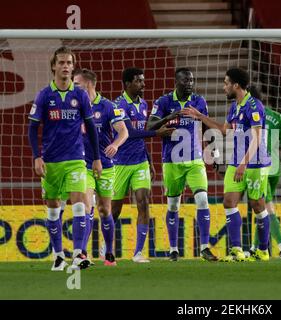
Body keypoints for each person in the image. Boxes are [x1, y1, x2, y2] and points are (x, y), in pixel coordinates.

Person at [182, 68, 271, 262]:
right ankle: (236, 250)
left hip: (254, 163)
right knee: (229, 202)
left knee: (257, 205)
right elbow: (224, 130)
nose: (224, 87)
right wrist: (200, 116)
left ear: (236, 85)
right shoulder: (235, 107)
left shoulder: (254, 106)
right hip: (236, 161)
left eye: (226, 83)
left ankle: (263, 250)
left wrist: (243, 165)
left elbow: (256, 139)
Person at [28, 46, 102, 271]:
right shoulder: (44, 95)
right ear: (54, 66)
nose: (66, 67)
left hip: (75, 159)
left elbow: (90, 127)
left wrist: (96, 158)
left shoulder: (79, 94)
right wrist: (37, 157)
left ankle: (79, 254)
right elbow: (32, 129)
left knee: (79, 204)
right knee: (53, 209)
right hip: (51, 161)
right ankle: (58, 255)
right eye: (61, 63)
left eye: (69, 63)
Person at [146, 68, 218, 262]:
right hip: (171, 162)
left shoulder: (199, 102)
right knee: (173, 205)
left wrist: (214, 151)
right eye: (186, 81)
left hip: (195, 160)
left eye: (192, 81)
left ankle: (204, 247)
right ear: (176, 82)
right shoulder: (163, 102)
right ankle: (173, 249)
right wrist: (169, 117)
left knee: (202, 200)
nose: (190, 84)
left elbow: (206, 126)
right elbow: (150, 126)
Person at [111, 67, 174, 263]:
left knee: (143, 202)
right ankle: (107, 247)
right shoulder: (119, 105)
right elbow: (129, 133)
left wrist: (148, 159)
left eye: (143, 80)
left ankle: (138, 253)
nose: (143, 84)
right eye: (138, 81)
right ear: (128, 83)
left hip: (139, 162)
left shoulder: (143, 104)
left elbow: (140, 137)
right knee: (114, 210)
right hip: (119, 163)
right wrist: (158, 134)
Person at [73, 68, 129, 266]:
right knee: (86, 208)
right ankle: (82, 253)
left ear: (89, 84)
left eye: (77, 83)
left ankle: (110, 254)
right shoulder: (74, 106)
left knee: (105, 210)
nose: (73, 86)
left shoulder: (107, 106)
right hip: (83, 165)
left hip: (106, 166)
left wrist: (115, 144)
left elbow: (123, 132)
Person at [247, 85, 281, 259]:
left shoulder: (248, 116)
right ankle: (254, 248)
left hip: (259, 169)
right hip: (275, 170)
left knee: (267, 209)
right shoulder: (278, 117)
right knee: (261, 209)